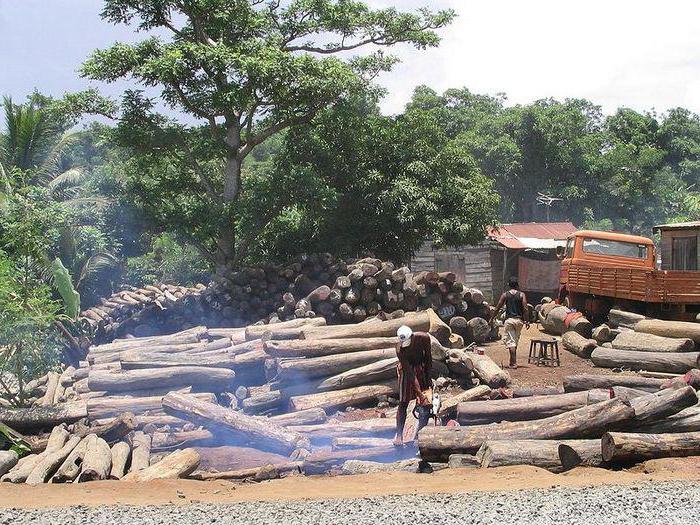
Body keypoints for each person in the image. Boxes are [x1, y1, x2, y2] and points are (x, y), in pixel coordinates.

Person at [393, 325, 432, 446]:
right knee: (403, 402)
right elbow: (410, 373)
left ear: (412, 337)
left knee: (425, 403)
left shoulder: (423, 338)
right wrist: (418, 392)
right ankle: (399, 435)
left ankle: (421, 433)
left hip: (421, 366)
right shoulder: (400, 349)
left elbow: (428, 358)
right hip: (407, 371)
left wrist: (427, 379)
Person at [490, 277, 530, 368]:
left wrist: (492, 318)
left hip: (509, 321)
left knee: (511, 342)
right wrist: (527, 321)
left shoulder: (505, 295)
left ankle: (513, 363)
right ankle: (512, 361)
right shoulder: (521, 295)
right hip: (519, 321)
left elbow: (497, 307)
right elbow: (525, 308)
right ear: (517, 285)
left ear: (509, 285)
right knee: (515, 341)